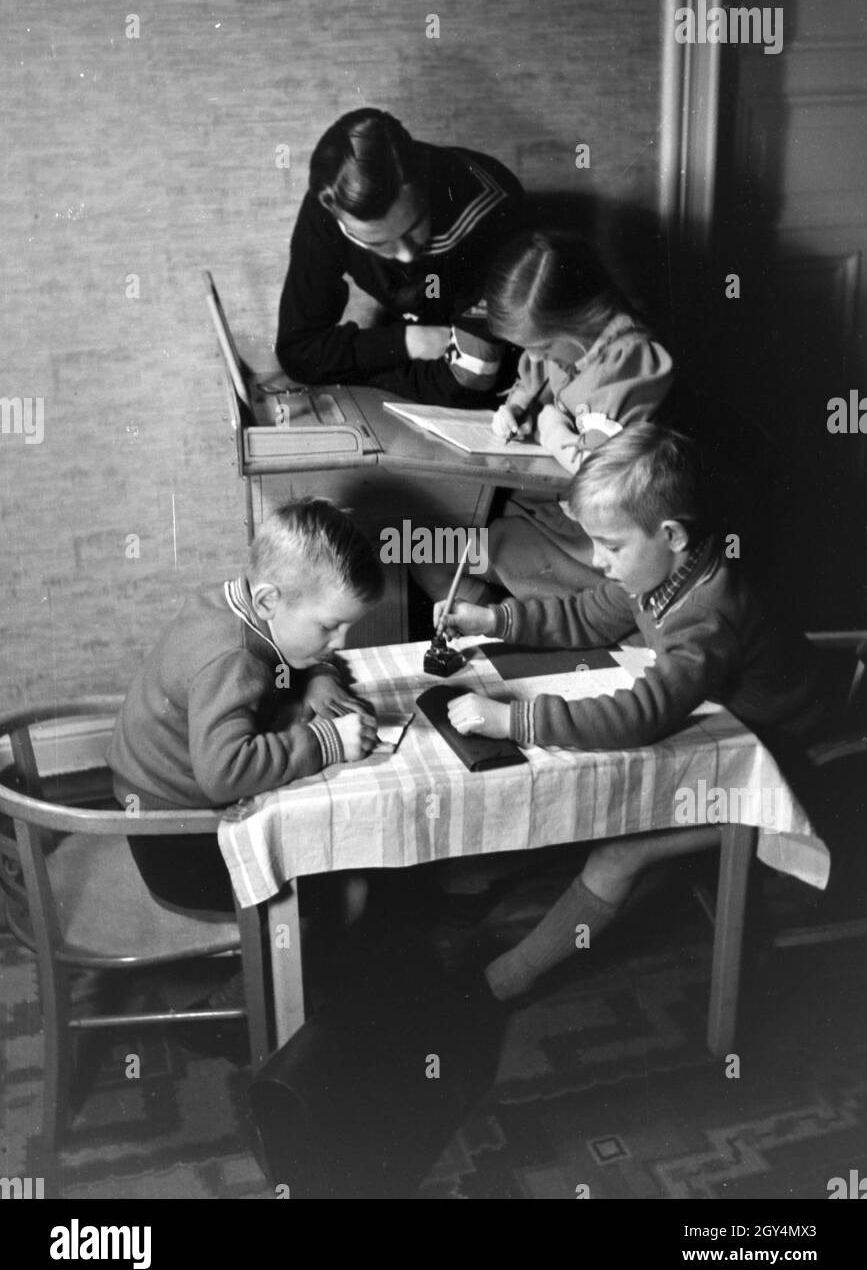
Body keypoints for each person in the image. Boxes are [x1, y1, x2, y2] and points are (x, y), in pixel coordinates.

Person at [434, 424, 829, 1003]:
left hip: (780, 767)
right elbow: (588, 617)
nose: (599, 561)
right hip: (736, 734)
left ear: (669, 533)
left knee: (619, 849)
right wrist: (494, 621)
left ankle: (500, 984)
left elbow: (642, 715)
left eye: (611, 546)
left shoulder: (708, 610)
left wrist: (511, 721)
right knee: (607, 794)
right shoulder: (667, 568)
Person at [108, 499, 384, 917]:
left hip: (169, 807)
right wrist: (326, 741)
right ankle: (258, 982)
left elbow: (281, 658)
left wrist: (319, 674)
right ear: (269, 601)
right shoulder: (231, 659)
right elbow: (225, 773)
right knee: (350, 886)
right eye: (329, 627)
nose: (342, 642)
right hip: (174, 841)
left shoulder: (241, 608)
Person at [420, 230, 675, 605]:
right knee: (418, 544)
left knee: (422, 548)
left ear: (582, 317)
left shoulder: (629, 363)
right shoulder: (568, 348)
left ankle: (518, 625)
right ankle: (503, 619)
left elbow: (594, 470)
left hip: (596, 542)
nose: (535, 358)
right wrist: (516, 409)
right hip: (542, 511)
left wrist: (548, 425)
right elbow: (532, 381)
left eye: (541, 347)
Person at [275, 108, 524, 405]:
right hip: (423, 363)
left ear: (423, 179)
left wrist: (352, 365)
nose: (405, 256)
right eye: (379, 243)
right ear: (341, 221)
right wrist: (409, 342)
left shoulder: (492, 210)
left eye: (414, 226)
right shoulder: (326, 208)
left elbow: (470, 379)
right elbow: (299, 351)